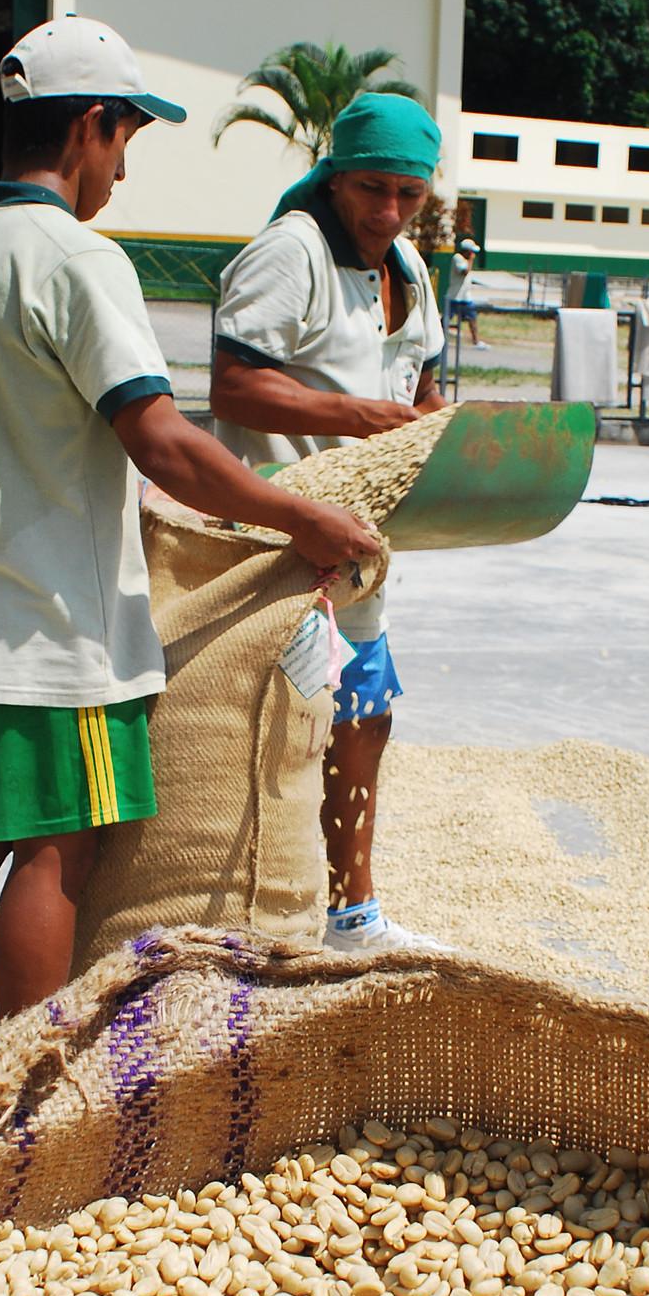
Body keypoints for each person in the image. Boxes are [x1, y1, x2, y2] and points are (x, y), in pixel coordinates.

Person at [0, 15, 379, 1049]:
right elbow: (158, 437)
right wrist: (302, 515)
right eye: (125, 143)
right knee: (58, 851)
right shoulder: (75, 256)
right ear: (92, 128)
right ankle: (25, 1087)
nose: (120, 171)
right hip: (50, 630)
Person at [210, 91, 451, 955]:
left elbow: (416, 387)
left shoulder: (413, 271)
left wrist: (441, 428)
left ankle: (351, 910)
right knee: (268, 731)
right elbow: (232, 387)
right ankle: (244, 914)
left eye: (408, 196)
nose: (387, 212)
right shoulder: (290, 252)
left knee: (362, 715)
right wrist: (360, 418)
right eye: (371, 189)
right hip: (277, 538)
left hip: (361, 545)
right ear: (336, 176)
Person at [446, 235, 483, 349]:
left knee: (472, 318)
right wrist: (471, 260)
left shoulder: (465, 260)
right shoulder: (457, 258)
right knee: (446, 320)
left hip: (465, 296)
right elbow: (465, 271)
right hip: (455, 296)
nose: (473, 254)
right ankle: (438, 339)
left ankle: (476, 341)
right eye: (471, 252)